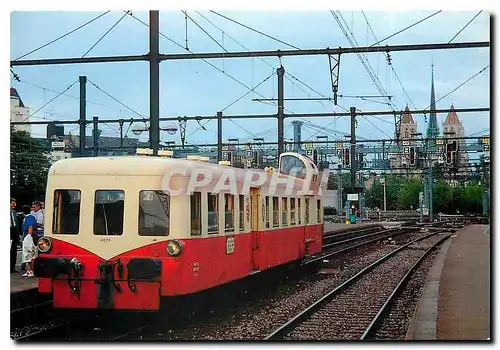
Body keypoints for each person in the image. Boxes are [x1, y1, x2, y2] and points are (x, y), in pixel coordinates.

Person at [21, 208, 38, 278]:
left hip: (29, 236)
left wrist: (29, 236)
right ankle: (29, 270)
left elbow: (30, 226)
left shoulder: (29, 217)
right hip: (31, 236)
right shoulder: (31, 217)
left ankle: (30, 270)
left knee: (28, 254)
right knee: (31, 254)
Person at [10, 198, 20, 273]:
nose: (15, 205)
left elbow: (16, 225)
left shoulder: (14, 212)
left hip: (13, 233)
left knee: (13, 251)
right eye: (13, 204)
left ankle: (12, 268)